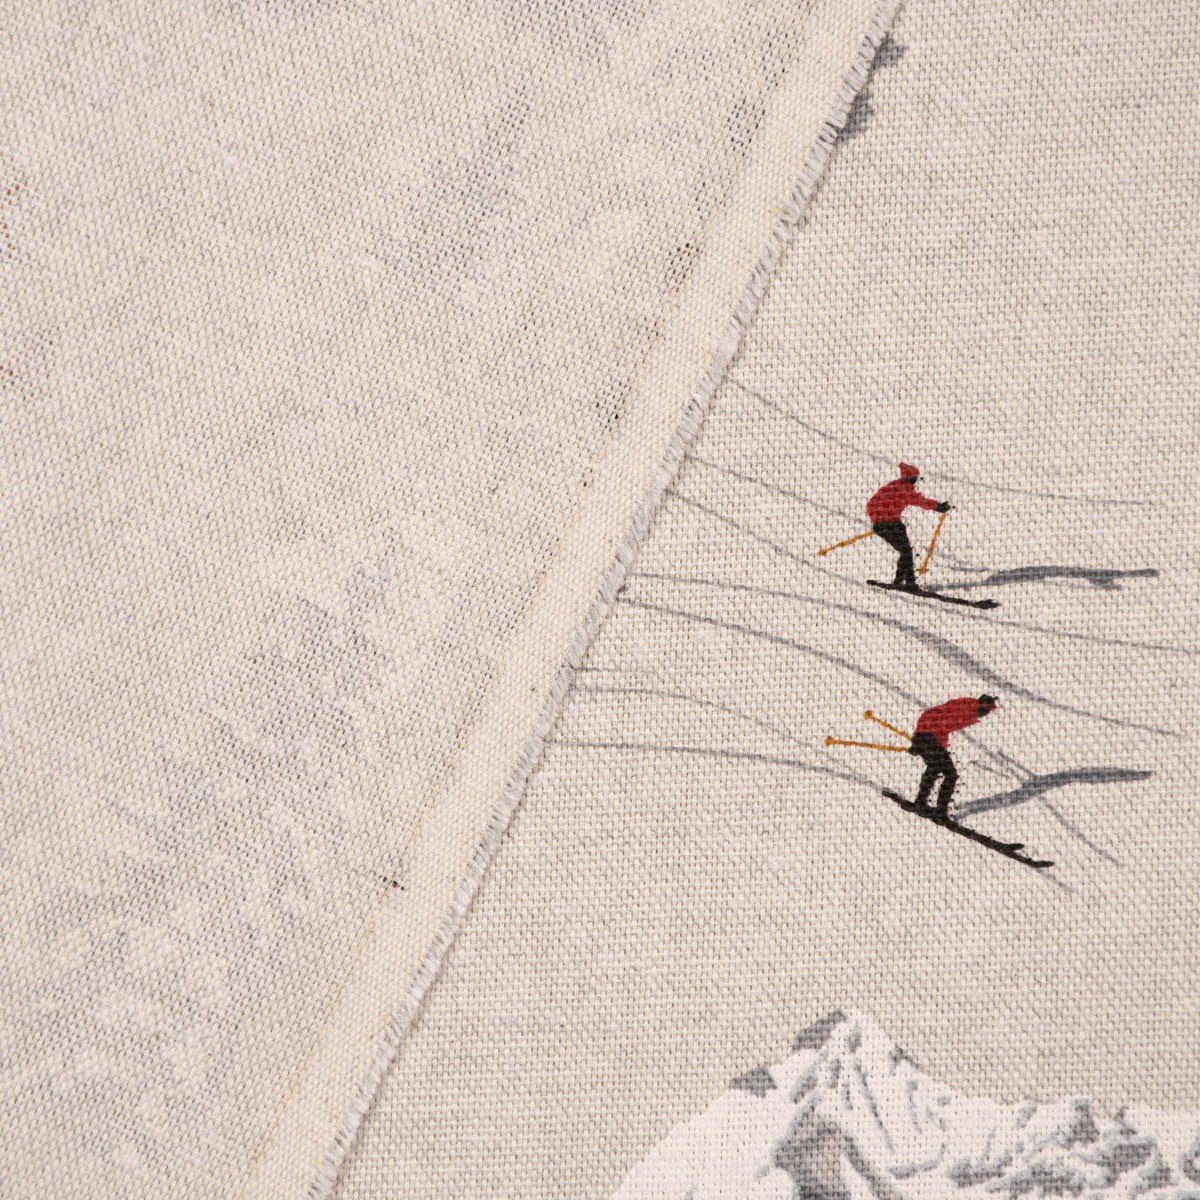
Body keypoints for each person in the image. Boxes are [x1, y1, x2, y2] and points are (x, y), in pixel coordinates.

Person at [866, 462, 950, 590]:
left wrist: (877, 519)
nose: (916, 481)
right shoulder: (905, 489)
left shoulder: (892, 485)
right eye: (915, 478)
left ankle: (899, 581)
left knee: (904, 551)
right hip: (893, 525)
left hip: (880, 526)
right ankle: (910, 583)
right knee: (906, 551)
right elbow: (921, 501)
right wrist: (938, 507)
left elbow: (871, 504)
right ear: (911, 478)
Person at [907, 694, 998, 811]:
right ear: (983, 705)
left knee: (934, 767)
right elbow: (936, 718)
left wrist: (919, 740)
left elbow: (942, 724)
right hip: (929, 738)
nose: (987, 714)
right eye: (988, 710)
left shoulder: (970, 710)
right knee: (950, 775)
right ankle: (940, 811)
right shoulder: (966, 708)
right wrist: (919, 740)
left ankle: (920, 802)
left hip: (928, 737)